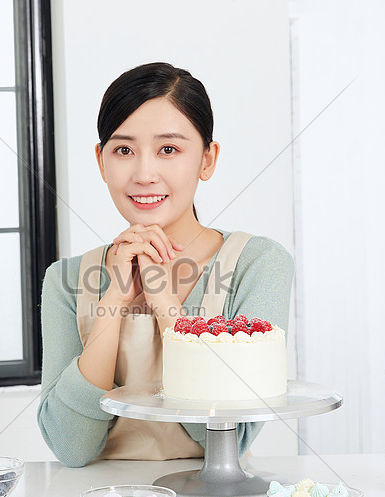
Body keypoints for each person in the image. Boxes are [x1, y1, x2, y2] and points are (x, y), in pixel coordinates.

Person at [37, 62, 294, 468]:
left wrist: (165, 304)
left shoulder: (258, 264)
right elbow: (72, 448)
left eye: (168, 149)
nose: (144, 174)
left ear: (207, 160)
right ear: (101, 162)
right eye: (123, 150)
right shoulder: (66, 280)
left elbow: (228, 443)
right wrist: (115, 297)